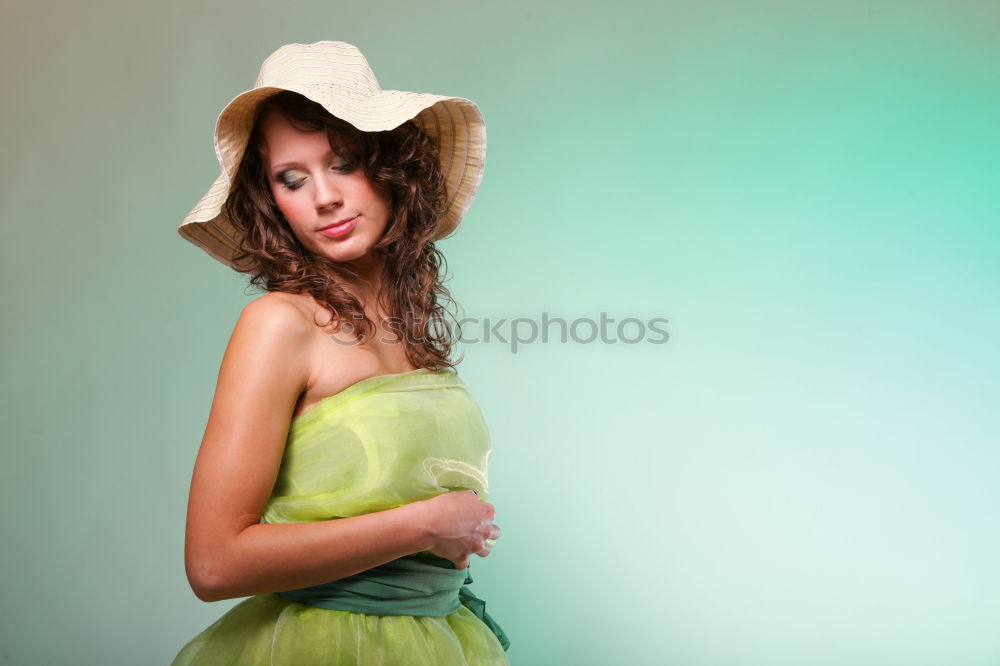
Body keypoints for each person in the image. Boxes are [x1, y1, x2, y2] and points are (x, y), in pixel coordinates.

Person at [171, 41, 510, 665]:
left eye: (345, 163)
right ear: (273, 201)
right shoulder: (279, 324)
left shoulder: (411, 326)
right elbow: (214, 564)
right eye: (291, 180)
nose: (323, 197)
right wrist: (424, 526)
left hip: (438, 640)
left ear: (393, 168)